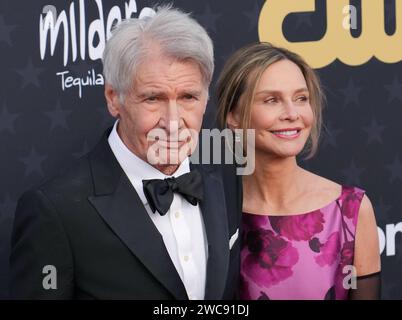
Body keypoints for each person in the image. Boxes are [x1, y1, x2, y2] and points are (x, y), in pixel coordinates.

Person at [10, 6, 241, 300]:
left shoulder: (226, 174)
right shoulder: (55, 210)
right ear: (113, 99)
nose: (173, 122)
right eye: (152, 98)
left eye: (188, 97)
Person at [217, 42, 381, 300]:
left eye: (301, 98)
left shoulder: (351, 210)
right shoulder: (211, 213)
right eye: (271, 100)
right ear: (234, 117)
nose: (292, 114)